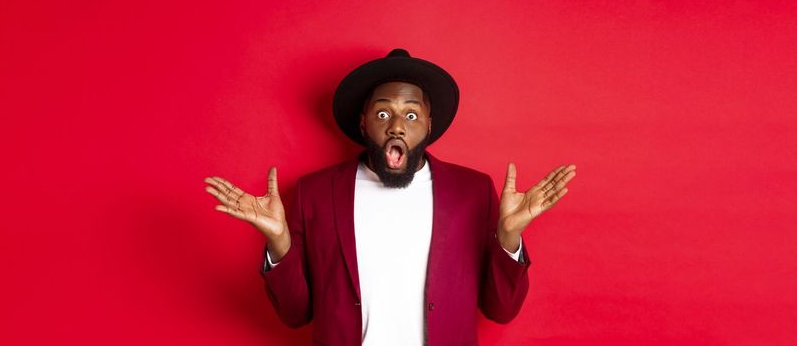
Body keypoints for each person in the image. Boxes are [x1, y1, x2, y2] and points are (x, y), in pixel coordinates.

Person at [204, 49, 576, 345]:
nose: (397, 125)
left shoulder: (472, 192)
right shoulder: (313, 193)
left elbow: (502, 310)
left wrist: (508, 239)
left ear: (429, 126)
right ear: (364, 122)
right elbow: (296, 315)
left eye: (411, 115)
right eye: (384, 112)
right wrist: (279, 243)